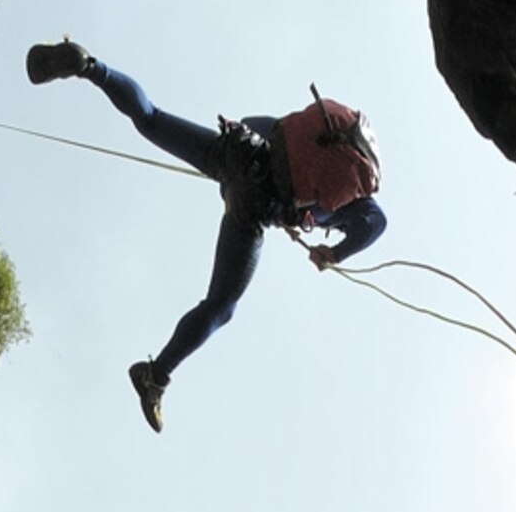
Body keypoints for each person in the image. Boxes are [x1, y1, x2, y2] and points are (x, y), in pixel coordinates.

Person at [26, 43, 386, 431]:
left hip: (236, 152)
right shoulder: (356, 201)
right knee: (221, 305)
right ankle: (155, 375)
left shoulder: (310, 139)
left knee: (150, 118)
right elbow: (375, 224)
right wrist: (333, 253)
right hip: (253, 206)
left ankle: (90, 68)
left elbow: (257, 123)